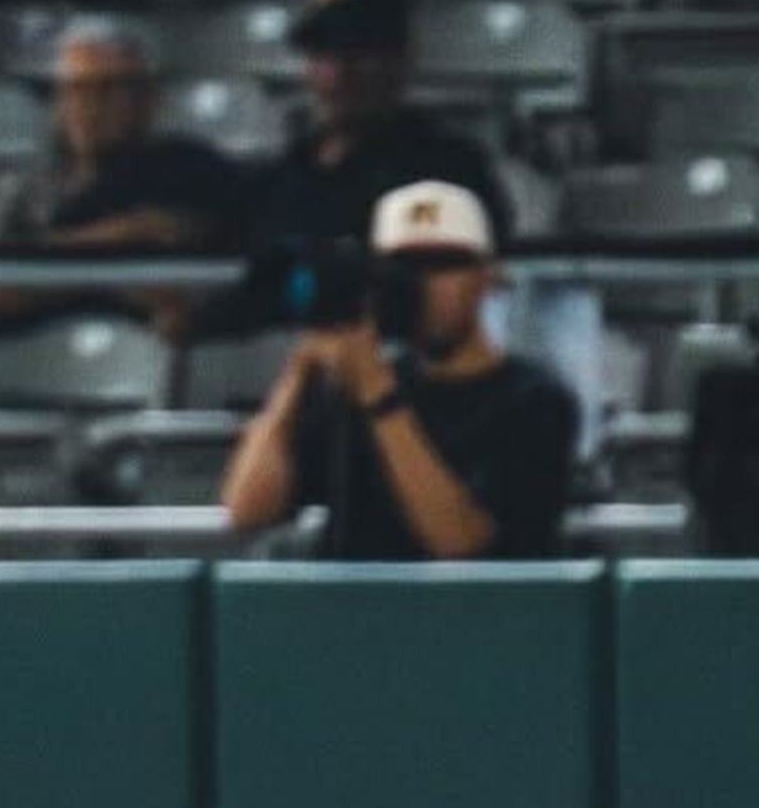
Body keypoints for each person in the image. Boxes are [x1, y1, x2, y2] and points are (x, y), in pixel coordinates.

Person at [221, 178, 577, 560]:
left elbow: (462, 542)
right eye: (405, 267)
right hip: (356, 611)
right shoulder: (353, 384)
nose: (424, 285)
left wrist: (379, 396)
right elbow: (247, 511)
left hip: (471, 614)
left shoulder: (534, 400)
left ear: (487, 277)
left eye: (444, 265)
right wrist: (300, 371)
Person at [209, 0, 510, 334]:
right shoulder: (278, 179)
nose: (339, 73)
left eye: (358, 53)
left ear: (400, 60)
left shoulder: (447, 167)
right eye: (323, 55)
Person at [0, 15, 244, 329]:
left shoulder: (192, 172)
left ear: (147, 100)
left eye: (107, 89)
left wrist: (41, 277)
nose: (89, 106)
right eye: (75, 90)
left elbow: (177, 290)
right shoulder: (20, 187)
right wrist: (115, 238)